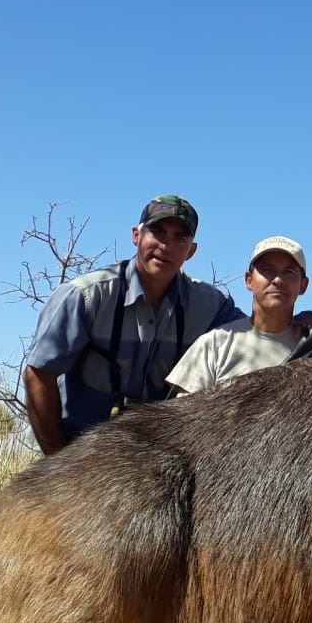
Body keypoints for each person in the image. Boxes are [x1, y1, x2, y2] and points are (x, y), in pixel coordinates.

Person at [23, 194, 244, 454]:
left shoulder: (210, 305)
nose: (166, 246)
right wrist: (58, 460)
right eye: (157, 232)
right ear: (136, 236)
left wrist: (291, 314)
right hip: (82, 452)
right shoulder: (85, 296)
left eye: (180, 238)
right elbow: (38, 375)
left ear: (191, 251)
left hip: (155, 455)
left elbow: (260, 332)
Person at [166, 235, 312, 395]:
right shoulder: (214, 344)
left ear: (303, 285)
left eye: (289, 272)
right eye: (267, 270)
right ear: (249, 280)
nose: (278, 280)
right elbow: (185, 409)